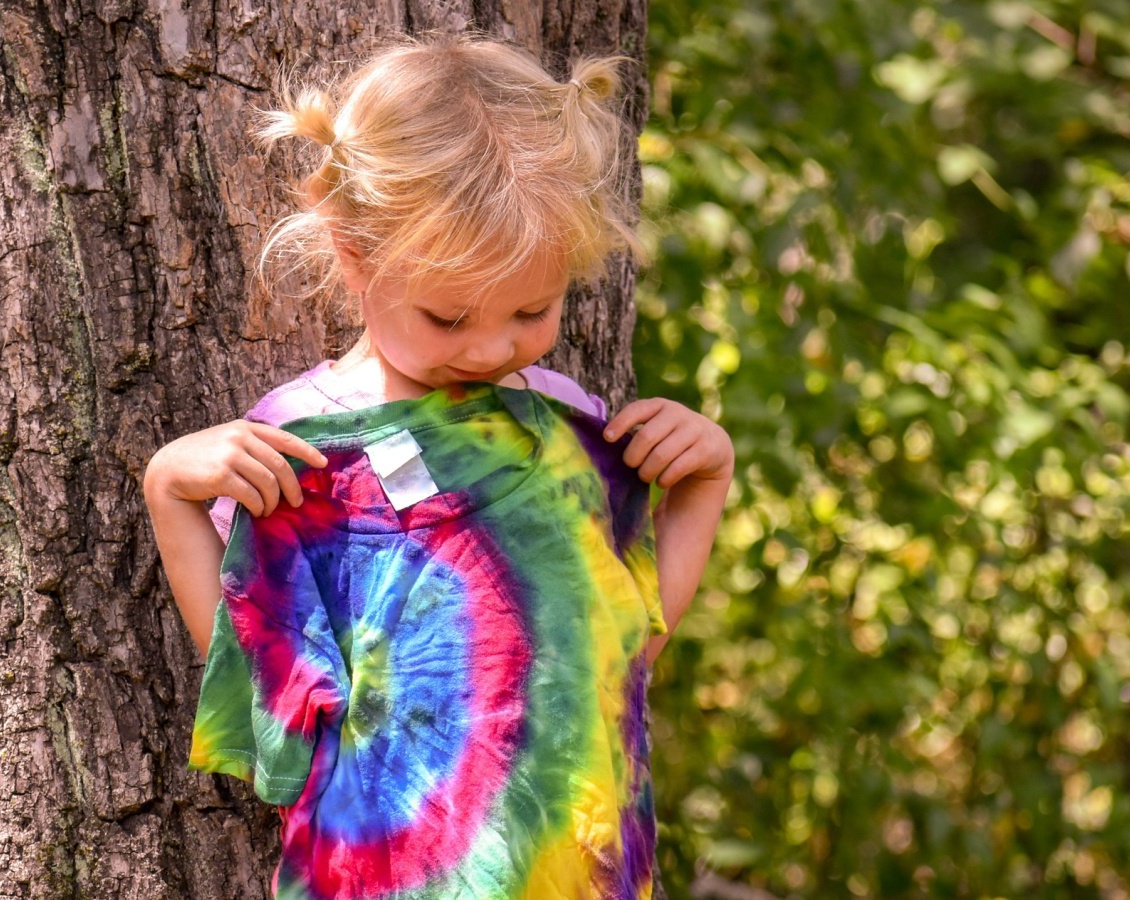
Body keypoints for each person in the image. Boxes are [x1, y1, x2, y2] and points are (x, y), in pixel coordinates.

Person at [143, 30, 734, 899]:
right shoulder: (301, 446)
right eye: (449, 318)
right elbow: (268, 688)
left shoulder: (568, 424)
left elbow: (621, 639)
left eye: (532, 309)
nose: (491, 349)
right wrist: (171, 494)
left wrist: (706, 480)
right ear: (353, 252)